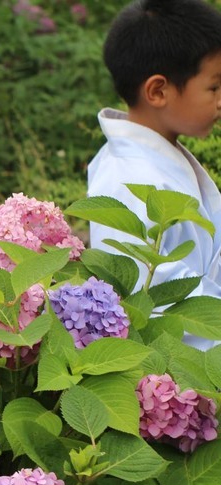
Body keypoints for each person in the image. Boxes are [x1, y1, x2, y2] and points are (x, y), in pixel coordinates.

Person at [87, 0, 221, 347]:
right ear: (158, 91)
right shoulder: (129, 178)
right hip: (188, 360)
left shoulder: (157, 154)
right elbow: (151, 295)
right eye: (214, 88)